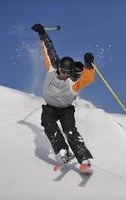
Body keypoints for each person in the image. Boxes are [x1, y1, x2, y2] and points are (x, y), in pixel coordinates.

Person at [31, 24, 95, 170]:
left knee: (70, 130)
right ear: (59, 67)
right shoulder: (51, 68)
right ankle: (62, 150)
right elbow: (48, 49)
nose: (64, 75)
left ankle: (83, 159)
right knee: (47, 123)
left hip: (66, 109)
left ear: (71, 72)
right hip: (50, 107)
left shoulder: (74, 82)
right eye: (63, 71)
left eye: (68, 72)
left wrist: (89, 65)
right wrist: (42, 34)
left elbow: (88, 79)